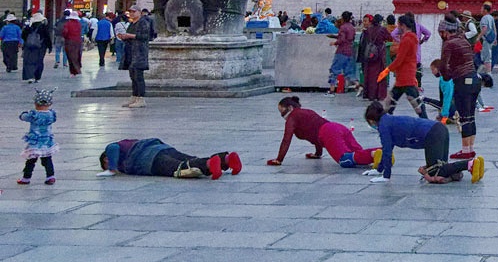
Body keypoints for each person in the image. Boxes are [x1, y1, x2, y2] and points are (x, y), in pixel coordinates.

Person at [362, 102, 484, 184]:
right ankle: (462, 169)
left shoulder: (384, 126)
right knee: (441, 165)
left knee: (434, 170)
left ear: (371, 120)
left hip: (432, 135)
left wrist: (385, 176)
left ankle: (469, 164)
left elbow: (387, 151)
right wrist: (379, 169)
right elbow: (388, 149)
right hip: (440, 129)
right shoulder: (389, 120)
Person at [267, 96, 377, 168]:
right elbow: (315, 133)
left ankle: (376, 154)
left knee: (345, 160)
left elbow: (287, 139)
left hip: (329, 132)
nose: (282, 116)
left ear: (290, 108)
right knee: (359, 153)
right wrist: (317, 154)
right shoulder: (306, 112)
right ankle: (382, 152)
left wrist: (279, 159)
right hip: (337, 127)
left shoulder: (292, 116)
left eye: (281, 112)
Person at [438, 14, 481, 159]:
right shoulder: (463, 39)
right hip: (474, 80)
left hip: (462, 81)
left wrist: (446, 76)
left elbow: (443, 65)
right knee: (470, 116)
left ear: (445, 32)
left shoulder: (449, 44)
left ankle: (465, 150)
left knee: (463, 117)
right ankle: (470, 149)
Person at [98, 138, 241, 180]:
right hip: (161, 148)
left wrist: (111, 169)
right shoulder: (130, 143)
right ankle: (226, 160)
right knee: (189, 158)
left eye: (105, 162)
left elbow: (112, 148)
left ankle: (209, 164)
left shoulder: (114, 148)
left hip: (149, 159)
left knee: (179, 167)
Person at [379, 15, 426, 117]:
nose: (397, 27)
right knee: (392, 101)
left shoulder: (406, 40)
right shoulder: (411, 38)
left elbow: (400, 59)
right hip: (405, 76)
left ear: (402, 26)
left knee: (415, 103)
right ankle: (385, 120)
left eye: (398, 25)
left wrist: (387, 70)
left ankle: (426, 123)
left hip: (405, 77)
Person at [18, 87, 57, 185]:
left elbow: (23, 117)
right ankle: (50, 176)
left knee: (31, 161)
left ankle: (26, 178)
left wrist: (23, 114)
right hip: (47, 141)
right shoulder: (51, 114)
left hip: (35, 142)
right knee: (47, 159)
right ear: (50, 103)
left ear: (35, 103)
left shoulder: (34, 115)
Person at [113, 7, 151, 108]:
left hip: (139, 53)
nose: (131, 14)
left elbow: (145, 36)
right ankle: (134, 96)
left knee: (138, 76)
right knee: (133, 76)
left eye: (134, 12)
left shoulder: (143, 22)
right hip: (131, 52)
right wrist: (124, 37)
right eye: (130, 12)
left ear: (139, 12)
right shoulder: (132, 23)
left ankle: (141, 98)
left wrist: (130, 35)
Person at [327, 11, 357, 94]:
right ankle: (358, 85)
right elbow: (349, 38)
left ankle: (331, 90)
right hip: (349, 51)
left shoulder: (343, 27)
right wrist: (334, 36)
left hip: (341, 51)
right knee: (349, 72)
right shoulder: (352, 27)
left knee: (334, 70)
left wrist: (335, 43)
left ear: (343, 18)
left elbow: (342, 39)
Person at [20, 12, 52, 83]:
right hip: (41, 47)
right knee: (39, 61)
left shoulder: (29, 27)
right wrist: (50, 47)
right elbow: (47, 37)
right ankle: (37, 77)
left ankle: (30, 76)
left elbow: (23, 36)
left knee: (29, 61)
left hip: (29, 47)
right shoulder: (43, 27)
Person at [478, 2, 496, 82]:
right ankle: (488, 71)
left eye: (482, 8)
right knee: (488, 54)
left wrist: (478, 37)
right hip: (491, 38)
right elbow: (494, 28)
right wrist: (495, 38)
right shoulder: (491, 17)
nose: (480, 10)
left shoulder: (484, 18)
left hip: (486, 39)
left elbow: (484, 29)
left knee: (486, 56)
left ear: (485, 10)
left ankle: (488, 73)